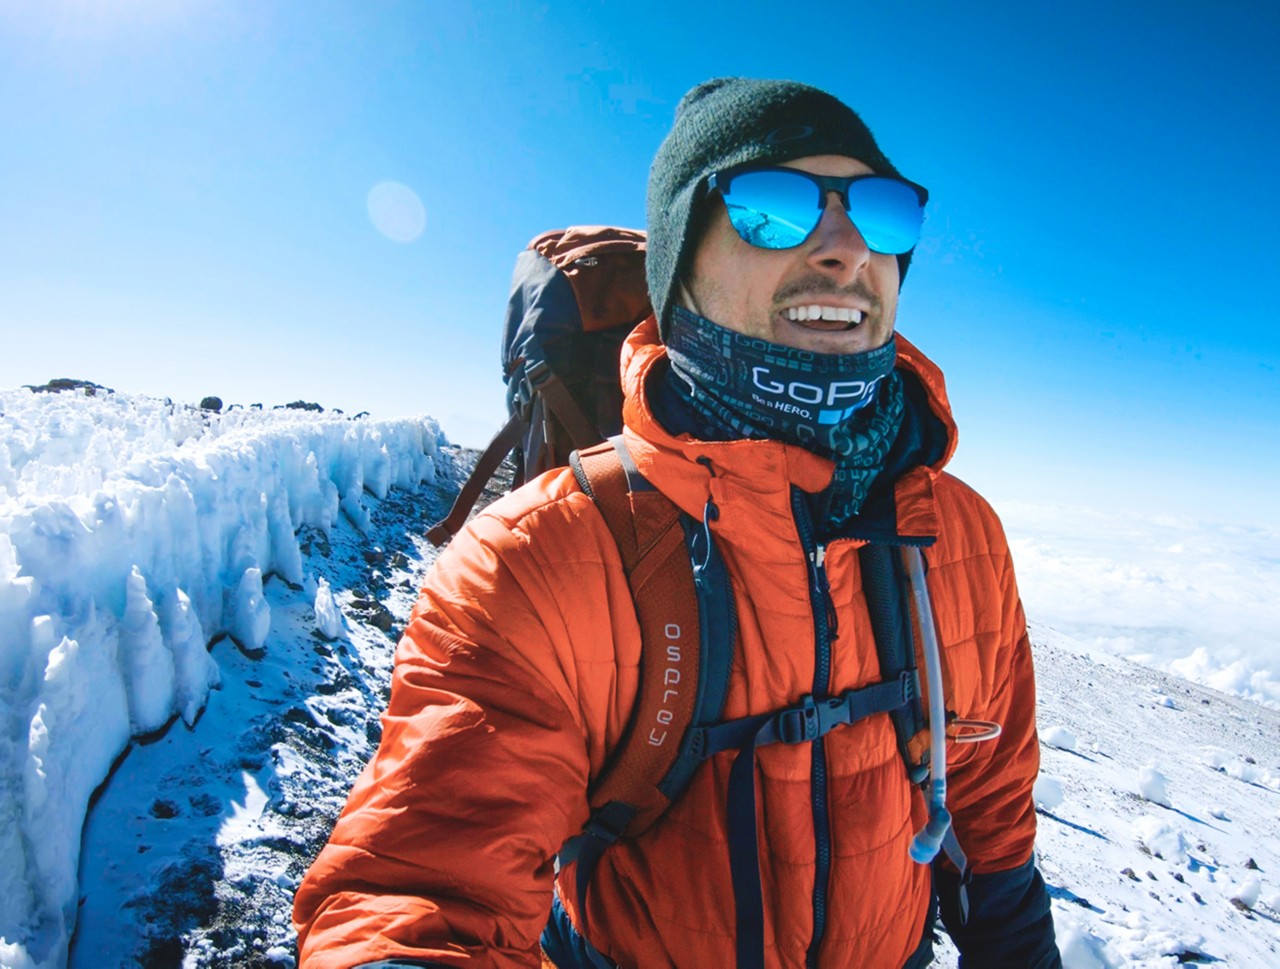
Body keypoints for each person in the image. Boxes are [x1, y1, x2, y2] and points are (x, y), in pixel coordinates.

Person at [294, 77, 1061, 969]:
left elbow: (988, 809)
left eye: (884, 216)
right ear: (678, 272)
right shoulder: (537, 562)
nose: (848, 250)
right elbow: (419, 892)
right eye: (773, 208)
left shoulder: (960, 536)